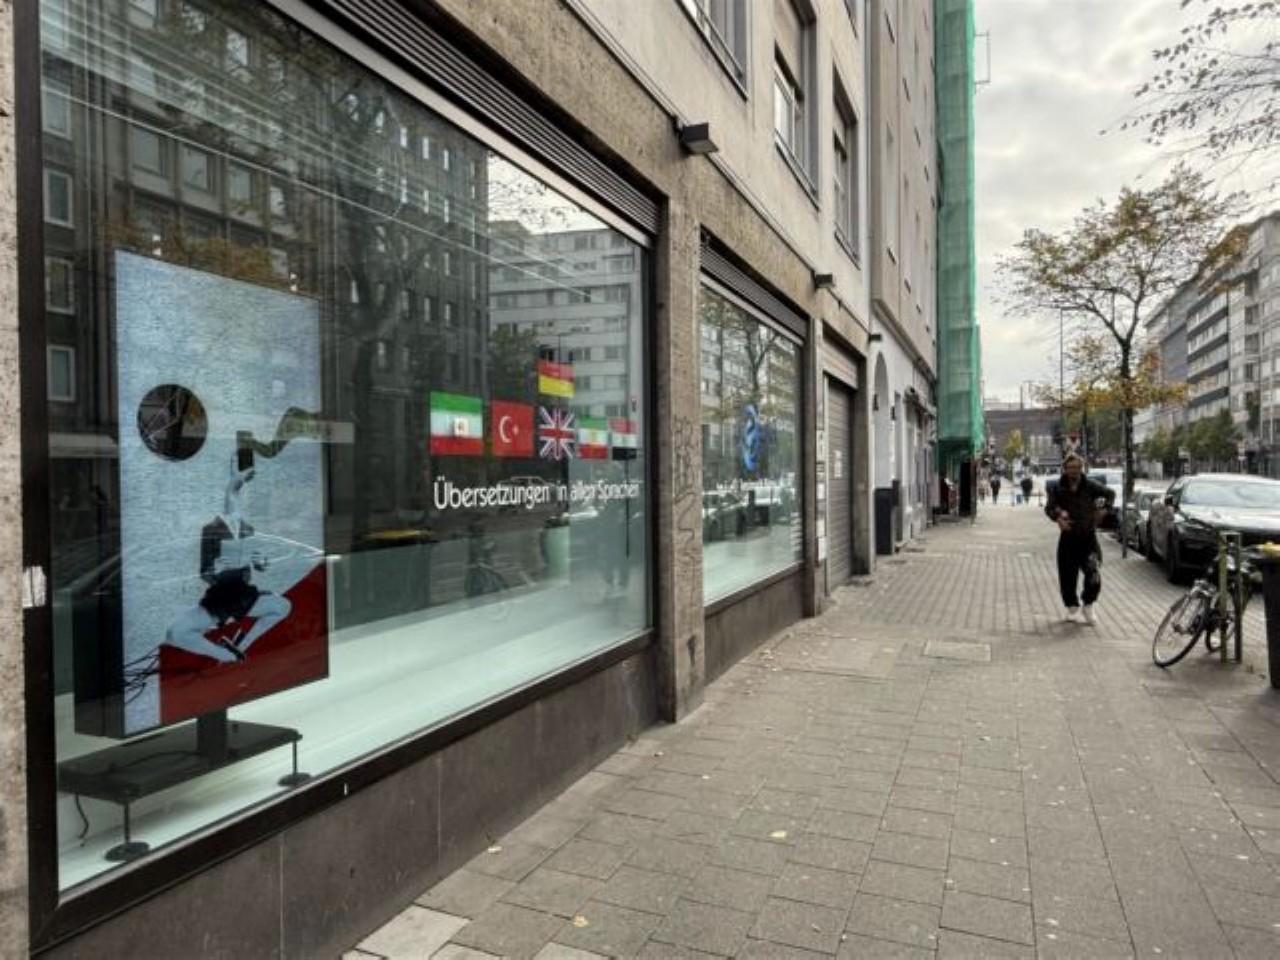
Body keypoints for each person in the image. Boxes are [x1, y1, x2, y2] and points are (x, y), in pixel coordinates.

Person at [165, 454, 291, 663]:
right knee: (176, 631)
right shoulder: (210, 529)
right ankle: (225, 655)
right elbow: (204, 572)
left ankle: (241, 645)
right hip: (220, 600)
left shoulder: (248, 529)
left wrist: (261, 562)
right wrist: (214, 570)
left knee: (284, 606)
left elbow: (257, 565)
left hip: (243, 596)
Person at [1043, 453, 1115, 625]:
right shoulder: (1057, 487)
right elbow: (1049, 508)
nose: (1074, 471)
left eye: (1077, 467)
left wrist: (1104, 510)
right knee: (1067, 576)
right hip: (1068, 538)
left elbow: (1111, 494)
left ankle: (1088, 604)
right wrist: (1058, 519)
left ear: (1081, 468)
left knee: (1093, 574)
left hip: (1088, 538)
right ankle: (1072, 606)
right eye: (1070, 468)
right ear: (1065, 469)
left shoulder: (1090, 485)